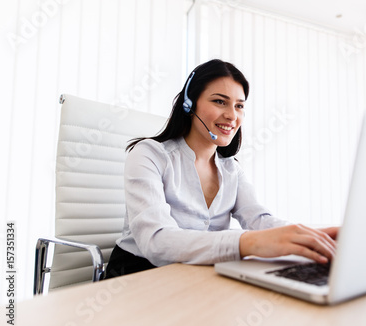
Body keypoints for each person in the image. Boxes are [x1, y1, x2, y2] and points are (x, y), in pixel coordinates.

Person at [104, 59, 338, 279]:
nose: (232, 115)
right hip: (138, 273)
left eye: (239, 106)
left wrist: (314, 236)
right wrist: (247, 243)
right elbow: (155, 240)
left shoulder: (231, 171)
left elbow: (259, 219)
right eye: (219, 101)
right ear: (189, 103)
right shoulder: (150, 154)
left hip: (195, 274)